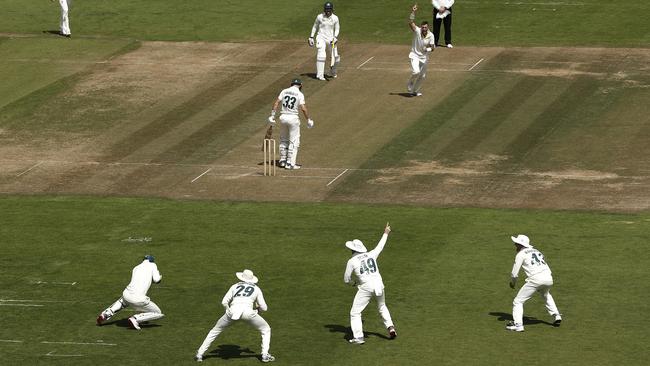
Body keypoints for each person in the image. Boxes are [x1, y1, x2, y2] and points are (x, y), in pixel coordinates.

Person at [195, 269, 275, 363]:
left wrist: (228, 311)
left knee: (215, 330)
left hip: (232, 312)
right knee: (265, 329)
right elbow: (264, 308)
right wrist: (257, 310)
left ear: (242, 278)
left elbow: (224, 302)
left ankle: (199, 354)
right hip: (248, 313)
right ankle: (265, 355)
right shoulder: (256, 289)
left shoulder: (234, 286)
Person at [344, 223, 397, 344]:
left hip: (366, 287)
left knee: (355, 312)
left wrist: (353, 283)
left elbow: (346, 279)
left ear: (352, 249)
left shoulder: (351, 261)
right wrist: (386, 232)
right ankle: (391, 327)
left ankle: (358, 337)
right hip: (379, 283)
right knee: (382, 306)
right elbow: (380, 246)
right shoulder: (371, 254)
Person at [507, 235, 562, 332]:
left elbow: (514, 274)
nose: (515, 244)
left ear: (521, 244)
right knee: (545, 294)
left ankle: (518, 325)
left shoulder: (520, 254)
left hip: (536, 279)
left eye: (516, 243)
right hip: (548, 278)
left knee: (518, 301)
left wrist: (513, 283)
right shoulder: (537, 251)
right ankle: (556, 316)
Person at [96, 255, 164, 330]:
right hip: (139, 299)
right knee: (158, 312)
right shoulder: (152, 265)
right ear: (152, 261)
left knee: (123, 302)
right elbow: (157, 280)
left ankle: (106, 313)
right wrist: (160, 276)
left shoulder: (136, 267)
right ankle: (135, 319)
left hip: (127, 293)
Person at [267, 78, 314, 170]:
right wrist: (308, 119)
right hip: (293, 119)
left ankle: (282, 160)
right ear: (300, 85)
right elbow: (303, 108)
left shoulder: (284, 91)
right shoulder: (300, 94)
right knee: (294, 141)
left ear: (291, 84)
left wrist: (272, 115)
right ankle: (290, 163)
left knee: (283, 139)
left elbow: (276, 103)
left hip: (283, 117)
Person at [407, 4, 436, 97]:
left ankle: (414, 91)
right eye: (422, 27)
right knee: (416, 72)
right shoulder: (417, 31)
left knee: (422, 76)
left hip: (424, 57)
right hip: (415, 55)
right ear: (421, 27)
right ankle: (410, 83)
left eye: (425, 27)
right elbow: (411, 23)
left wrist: (427, 49)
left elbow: (433, 47)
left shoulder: (431, 35)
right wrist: (413, 11)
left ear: (428, 27)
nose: (424, 29)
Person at [308, 2, 341, 80]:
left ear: (332, 10)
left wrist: (335, 37)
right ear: (324, 10)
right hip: (321, 37)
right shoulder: (320, 17)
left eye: (329, 10)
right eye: (327, 10)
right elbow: (315, 26)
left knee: (336, 57)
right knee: (321, 54)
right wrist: (311, 37)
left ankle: (333, 71)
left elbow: (337, 28)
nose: (328, 11)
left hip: (331, 39)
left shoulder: (335, 18)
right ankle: (320, 75)